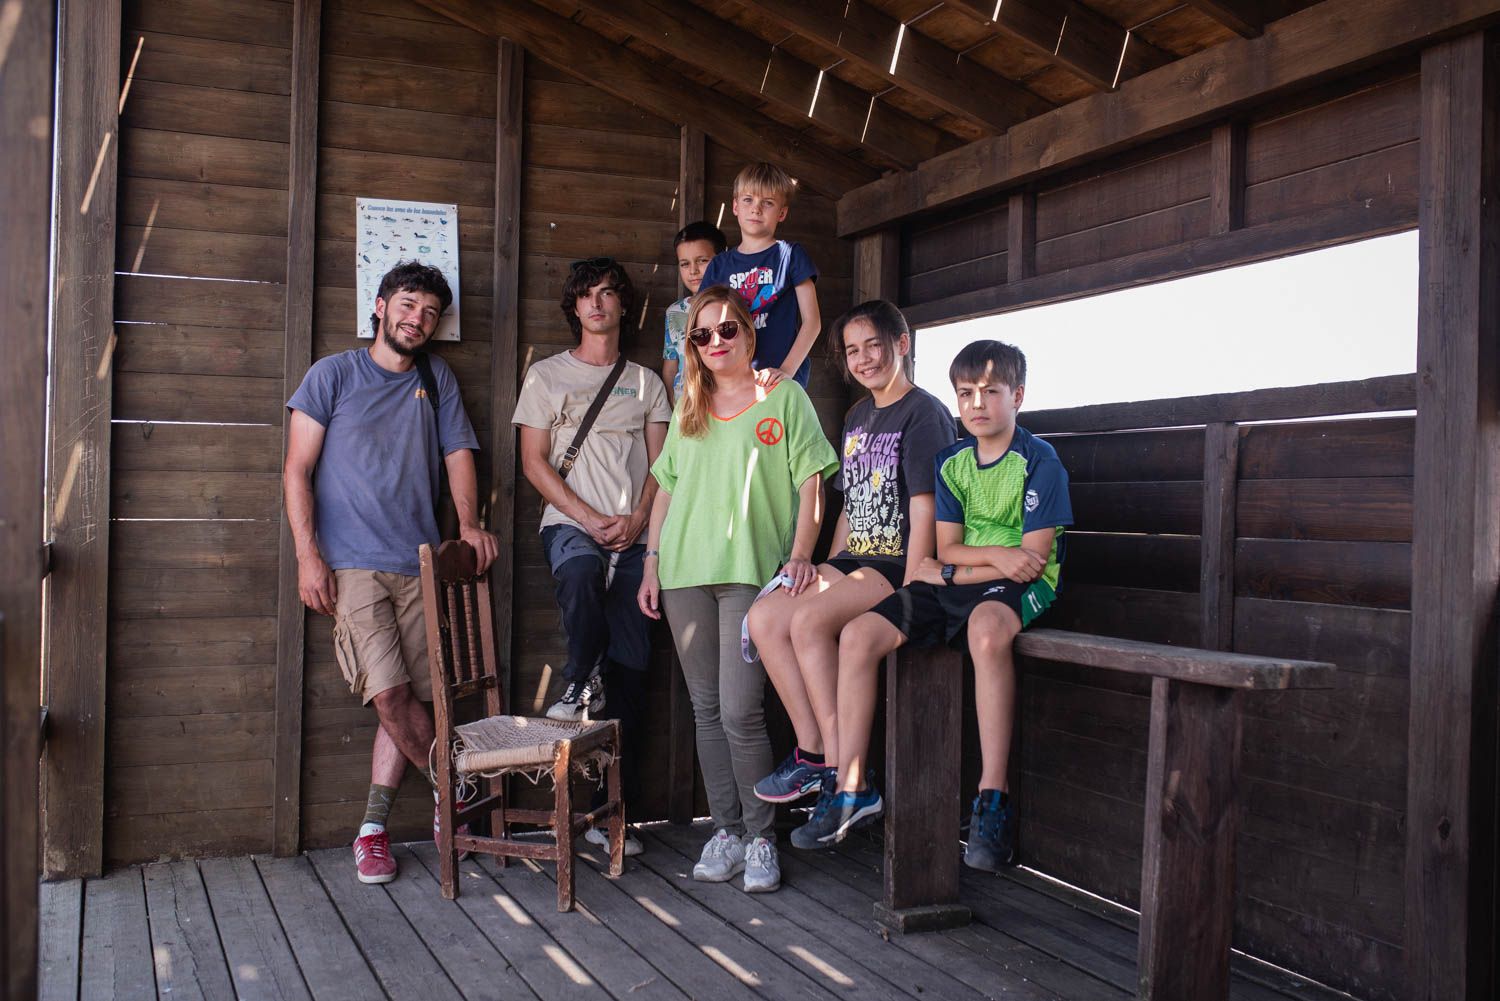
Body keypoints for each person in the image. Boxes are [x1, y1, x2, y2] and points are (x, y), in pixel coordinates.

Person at [795, 339, 1072, 872]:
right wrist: (976, 562)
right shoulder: (951, 463)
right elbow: (947, 549)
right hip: (965, 576)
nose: (977, 404)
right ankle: (851, 786)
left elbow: (1033, 562)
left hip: (1020, 588)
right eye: (965, 393)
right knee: (857, 635)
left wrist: (954, 570)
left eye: (991, 392)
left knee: (987, 632)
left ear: (1017, 395)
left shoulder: (1039, 461)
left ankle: (993, 797)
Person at [284, 260, 498, 885]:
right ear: (380, 306)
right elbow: (297, 469)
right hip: (353, 567)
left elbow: (458, 454)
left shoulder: (437, 378)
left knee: (413, 698)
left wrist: (468, 526)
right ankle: (457, 793)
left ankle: (374, 830)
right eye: (407, 304)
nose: (418, 319)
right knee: (389, 693)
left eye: (430, 311)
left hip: (422, 563)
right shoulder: (334, 374)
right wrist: (308, 556)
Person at [637, 285, 838, 893]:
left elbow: (811, 481)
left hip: (754, 575)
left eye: (727, 330)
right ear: (691, 346)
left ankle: (760, 838)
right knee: (704, 710)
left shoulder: (785, 396)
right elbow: (666, 489)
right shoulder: (688, 404)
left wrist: (803, 555)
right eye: (701, 334)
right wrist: (651, 562)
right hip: (683, 573)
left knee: (740, 710)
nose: (715, 341)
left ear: (749, 335)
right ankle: (725, 829)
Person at [745, 300, 955, 808]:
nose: (862, 359)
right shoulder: (858, 414)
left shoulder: (923, 413)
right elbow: (850, 501)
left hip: (893, 563)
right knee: (766, 616)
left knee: (809, 621)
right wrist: (829, 565)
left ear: (901, 344)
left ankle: (845, 771)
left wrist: (912, 582)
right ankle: (814, 754)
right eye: (852, 351)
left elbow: (926, 506)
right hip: (853, 559)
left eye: (873, 346)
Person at [513, 257, 671, 855]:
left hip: (634, 537)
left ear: (623, 307)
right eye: (587, 295)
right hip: (571, 525)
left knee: (631, 679)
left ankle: (615, 820)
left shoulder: (647, 381)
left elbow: (663, 466)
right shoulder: (547, 377)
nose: (598, 304)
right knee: (578, 572)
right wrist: (588, 517)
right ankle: (581, 677)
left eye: (608, 294)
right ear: (574, 307)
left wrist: (635, 521)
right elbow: (533, 463)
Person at [700, 162, 821, 389]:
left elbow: (812, 322)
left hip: (778, 378)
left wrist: (786, 370)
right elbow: (704, 323)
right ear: (735, 206)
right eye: (748, 200)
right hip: (730, 382)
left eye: (768, 203)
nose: (756, 208)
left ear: (782, 213)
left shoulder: (790, 256)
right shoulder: (719, 265)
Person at [661, 220, 728, 406]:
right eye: (684, 264)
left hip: (724, 404)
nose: (693, 271)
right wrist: (673, 409)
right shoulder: (674, 312)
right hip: (686, 406)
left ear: (722, 259)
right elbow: (670, 366)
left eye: (702, 261)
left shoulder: (732, 307)